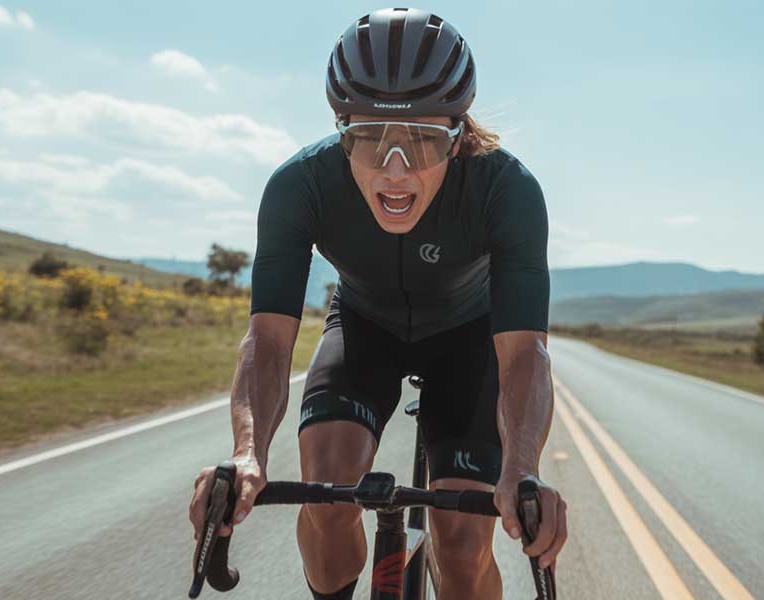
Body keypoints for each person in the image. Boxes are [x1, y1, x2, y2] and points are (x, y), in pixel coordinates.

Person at [189, 8, 567, 599]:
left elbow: (524, 354)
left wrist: (521, 468)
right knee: (327, 487)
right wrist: (247, 455)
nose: (395, 171)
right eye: (368, 138)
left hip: (469, 339)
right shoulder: (301, 185)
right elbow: (267, 340)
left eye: (422, 139)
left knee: (464, 547)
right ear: (342, 131)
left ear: (460, 134)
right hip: (364, 327)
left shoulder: (507, 190)